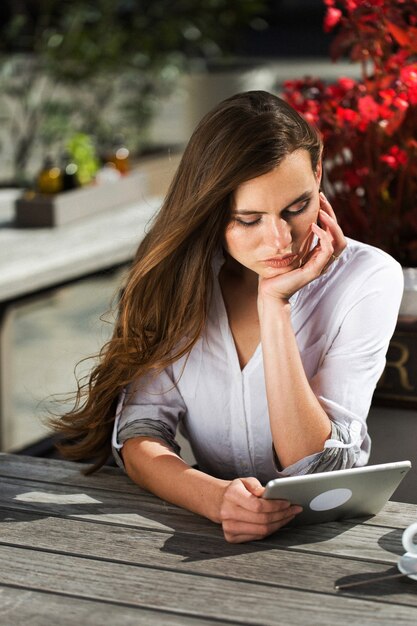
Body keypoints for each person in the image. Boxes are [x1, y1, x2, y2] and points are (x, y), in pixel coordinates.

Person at [52, 91, 403, 543]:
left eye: (297, 206)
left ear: (317, 174)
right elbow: (140, 434)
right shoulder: (180, 277)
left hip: (328, 540)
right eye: (249, 218)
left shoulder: (367, 278)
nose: (279, 240)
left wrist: (275, 305)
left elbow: (316, 466)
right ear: (213, 210)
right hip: (204, 533)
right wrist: (215, 499)